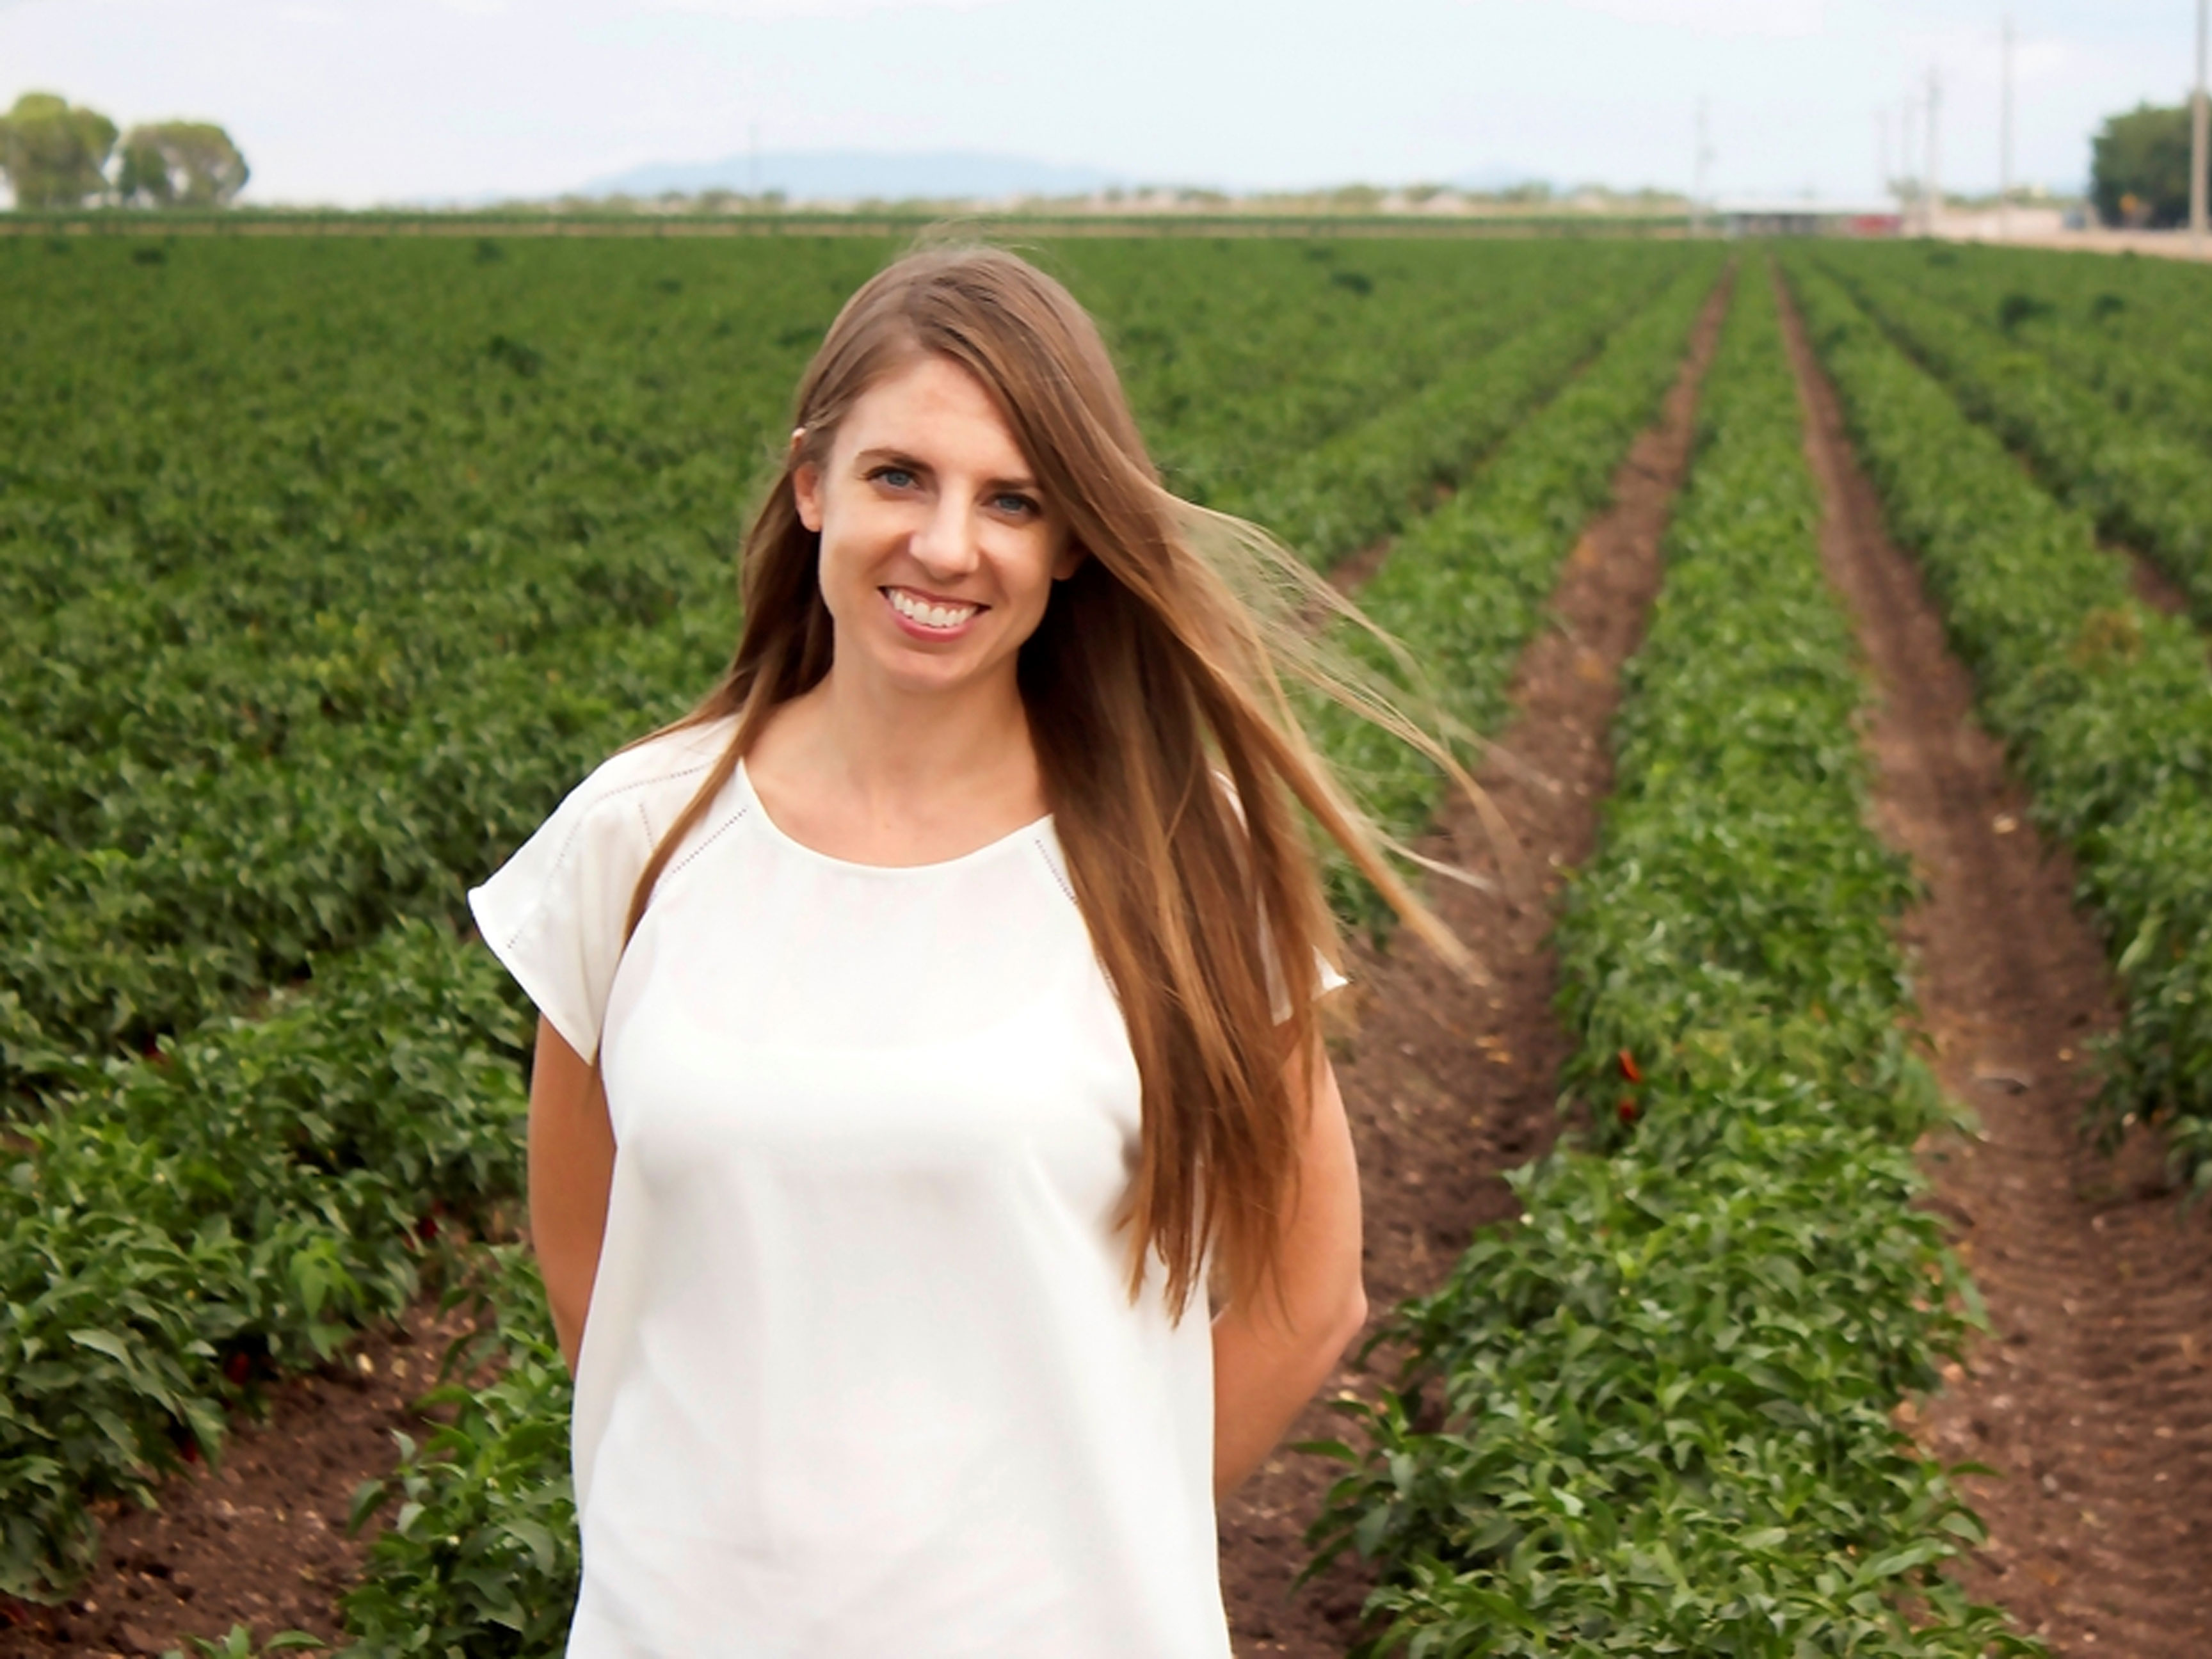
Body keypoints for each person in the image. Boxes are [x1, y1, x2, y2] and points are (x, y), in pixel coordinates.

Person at [468, 243, 1468, 1657]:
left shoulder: (1181, 856)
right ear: (811, 483)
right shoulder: (636, 838)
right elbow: (585, 1254)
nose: (949, 546)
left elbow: (1313, 1298)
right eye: (900, 478)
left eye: (1015, 500)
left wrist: (1086, 1555)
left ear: (1070, 543)